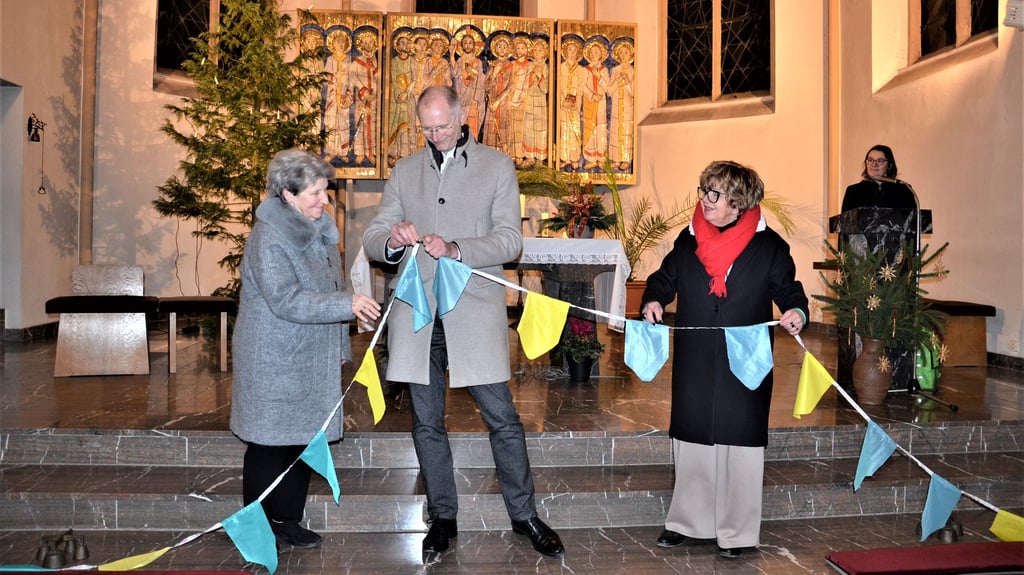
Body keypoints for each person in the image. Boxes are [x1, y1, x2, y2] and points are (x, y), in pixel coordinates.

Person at [362, 85, 564, 562]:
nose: (436, 136)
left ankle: (525, 514)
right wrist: (392, 238)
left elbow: (510, 241)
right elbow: (374, 238)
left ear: (462, 117)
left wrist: (457, 249)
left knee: (503, 419)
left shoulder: (497, 165)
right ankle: (443, 517)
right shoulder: (405, 171)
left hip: (471, 310)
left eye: (444, 127)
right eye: (427, 129)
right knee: (426, 423)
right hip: (417, 314)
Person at [641, 160, 808, 559]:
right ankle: (688, 522)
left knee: (741, 444)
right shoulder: (689, 240)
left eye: (713, 193)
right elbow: (665, 278)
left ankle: (737, 532)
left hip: (745, 360)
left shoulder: (769, 247)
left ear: (738, 202)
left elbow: (788, 288)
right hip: (697, 357)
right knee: (693, 439)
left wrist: (797, 312)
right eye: (704, 191)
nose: (704, 199)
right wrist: (653, 299)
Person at [231, 148, 381, 549]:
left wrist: (340, 348)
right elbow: (286, 299)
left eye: (324, 191)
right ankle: (257, 528)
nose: (324, 199)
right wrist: (347, 304)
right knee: (268, 445)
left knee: (300, 441)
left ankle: (287, 519)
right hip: (275, 359)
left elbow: (328, 287)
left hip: (310, 357)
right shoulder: (269, 238)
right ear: (286, 194)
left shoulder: (316, 229)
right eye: (314, 193)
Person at [841, 145, 917, 211]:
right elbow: (844, 224)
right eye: (870, 160)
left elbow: (913, 222)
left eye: (880, 161)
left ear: (889, 165)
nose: (874, 164)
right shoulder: (853, 191)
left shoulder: (904, 190)